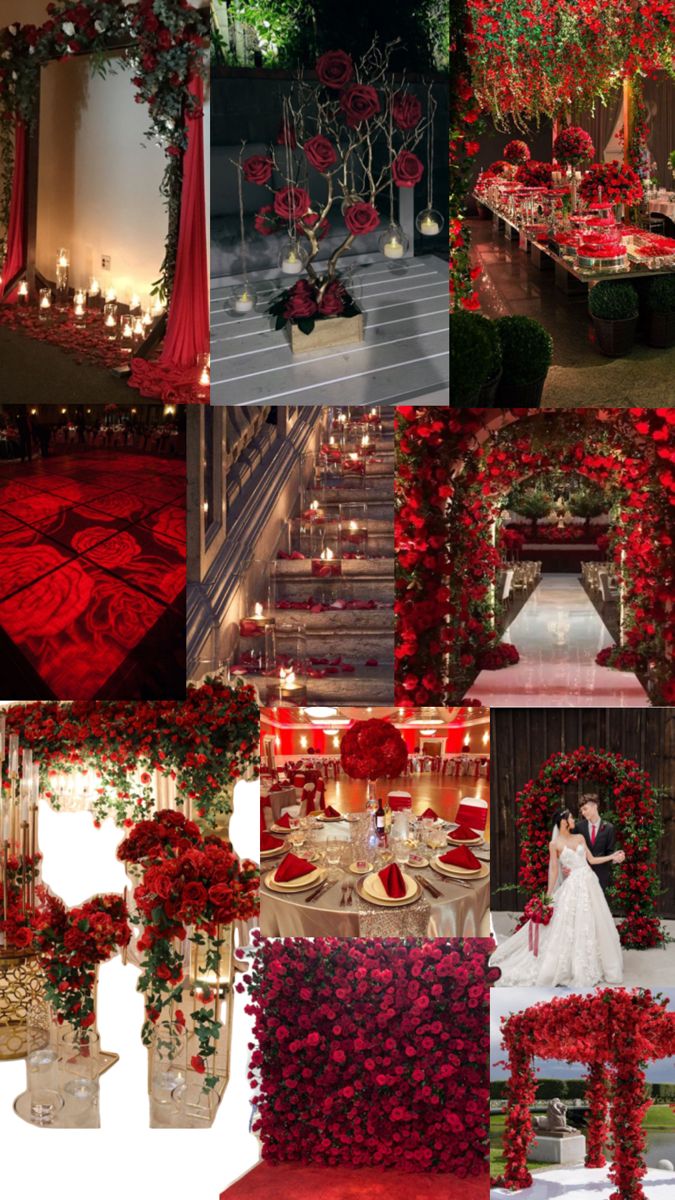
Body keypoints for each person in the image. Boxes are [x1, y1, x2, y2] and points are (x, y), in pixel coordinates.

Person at [491, 809, 625, 988]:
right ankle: (569, 964)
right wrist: (548, 895)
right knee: (569, 924)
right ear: (563, 821)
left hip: (589, 882)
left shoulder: (579, 838)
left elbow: (591, 860)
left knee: (594, 921)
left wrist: (612, 856)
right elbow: (554, 870)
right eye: (570, 818)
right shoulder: (554, 844)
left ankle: (594, 962)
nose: (573, 820)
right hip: (572, 886)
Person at [575, 794, 615, 893]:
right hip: (582, 876)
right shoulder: (578, 827)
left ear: (595, 806)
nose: (583, 813)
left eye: (585, 809)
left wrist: (616, 859)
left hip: (601, 877)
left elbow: (610, 853)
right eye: (582, 811)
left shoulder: (609, 828)